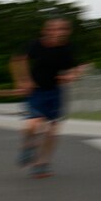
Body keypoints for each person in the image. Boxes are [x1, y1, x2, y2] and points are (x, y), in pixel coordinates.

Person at [10, 17, 86, 179]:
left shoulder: (68, 49)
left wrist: (72, 75)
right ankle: (28, 146)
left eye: (63, 29)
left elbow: (80, 66)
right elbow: (17, 60)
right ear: (46, 31)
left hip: (55, 91)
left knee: (52, 129)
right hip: (36, 91)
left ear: (68, 32)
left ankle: (42, 164)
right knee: (33, 124)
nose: (58, 33)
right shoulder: (35, 45)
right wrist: (23, 81)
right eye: (54, 29)